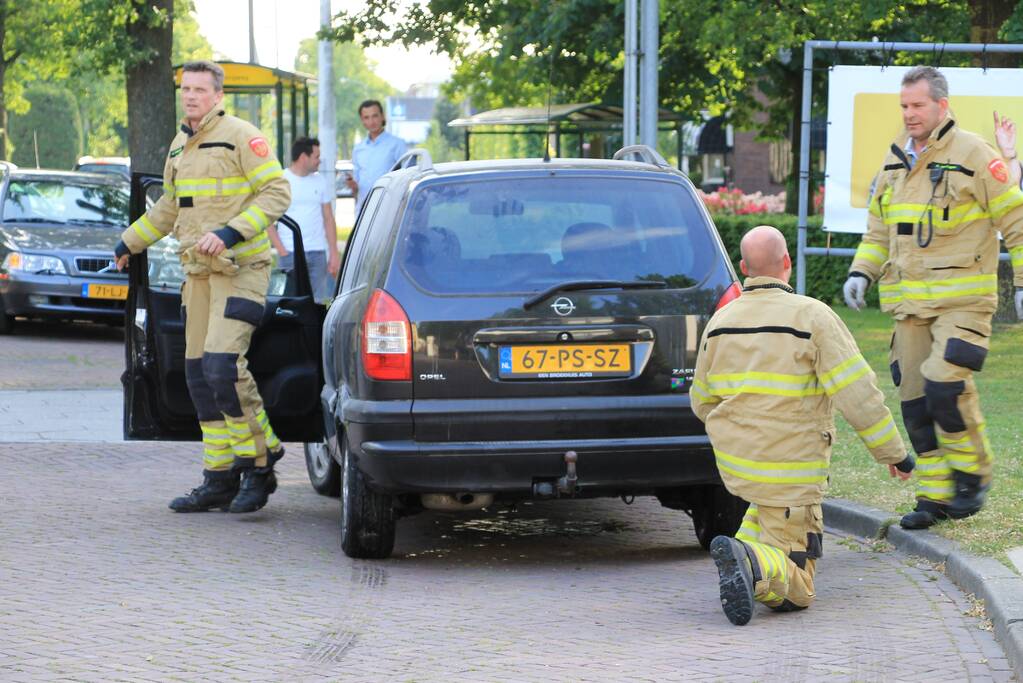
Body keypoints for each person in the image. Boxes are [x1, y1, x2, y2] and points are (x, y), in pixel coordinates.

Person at [692, 225, 914, 626]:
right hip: (792, 475)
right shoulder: (812, 316)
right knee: (799, 589)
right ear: (788, 263)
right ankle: (754, 561)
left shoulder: (720, 321)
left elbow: (701, 400)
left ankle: (745, 551)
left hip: (742, 470)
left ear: (744, 268)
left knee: (768, 513)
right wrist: (893, 454)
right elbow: (858, 394)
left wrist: (741, 433)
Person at [844, 67, 1023, 530]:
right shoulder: (894, 162)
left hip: (964, 302)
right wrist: (861, 271)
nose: (909, 114)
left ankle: (973, 476)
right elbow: (877, 231)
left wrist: (1022, 284)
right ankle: (935, 497)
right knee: (914, 401)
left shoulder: (975, 155)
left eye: (917, 105)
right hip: (909, 306)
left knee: (945, 385)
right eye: (904, 106)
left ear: (941, 105)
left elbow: (1016, 221)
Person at [113, 60, 292, 514]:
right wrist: (128, 242)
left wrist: (231, 232)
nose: (190, 96)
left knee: (222, 367)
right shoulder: (179, 144)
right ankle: (218, 476)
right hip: (197, 275)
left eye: (199, 89)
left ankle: (260, 460)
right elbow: (170, 209)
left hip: (239, 269)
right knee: (196, 376)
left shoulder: (241, 135)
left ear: (218, 95)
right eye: (185, 88)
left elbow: (276, 192)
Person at [267, 137, 339, 303]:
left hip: (317, 253)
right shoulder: (281, 181)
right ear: (303, 157)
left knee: (318, 303)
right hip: (290, 254)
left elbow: (328, 218)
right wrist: (281, 249)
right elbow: (268, 218)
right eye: (316, 157)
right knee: (289, 303)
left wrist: (333, 252)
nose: (319, 161)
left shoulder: (320, 181)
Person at [346, 99, 406, 214]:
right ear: (362, 120)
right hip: (364, 210)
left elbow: (408, 177)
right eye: (366, 117)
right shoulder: (358, 149)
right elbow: (357, 188)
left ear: (382, 117)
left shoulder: (397, 144)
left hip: (389, 208)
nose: (371, 121)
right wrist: (353, 185)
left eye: (375, 116)